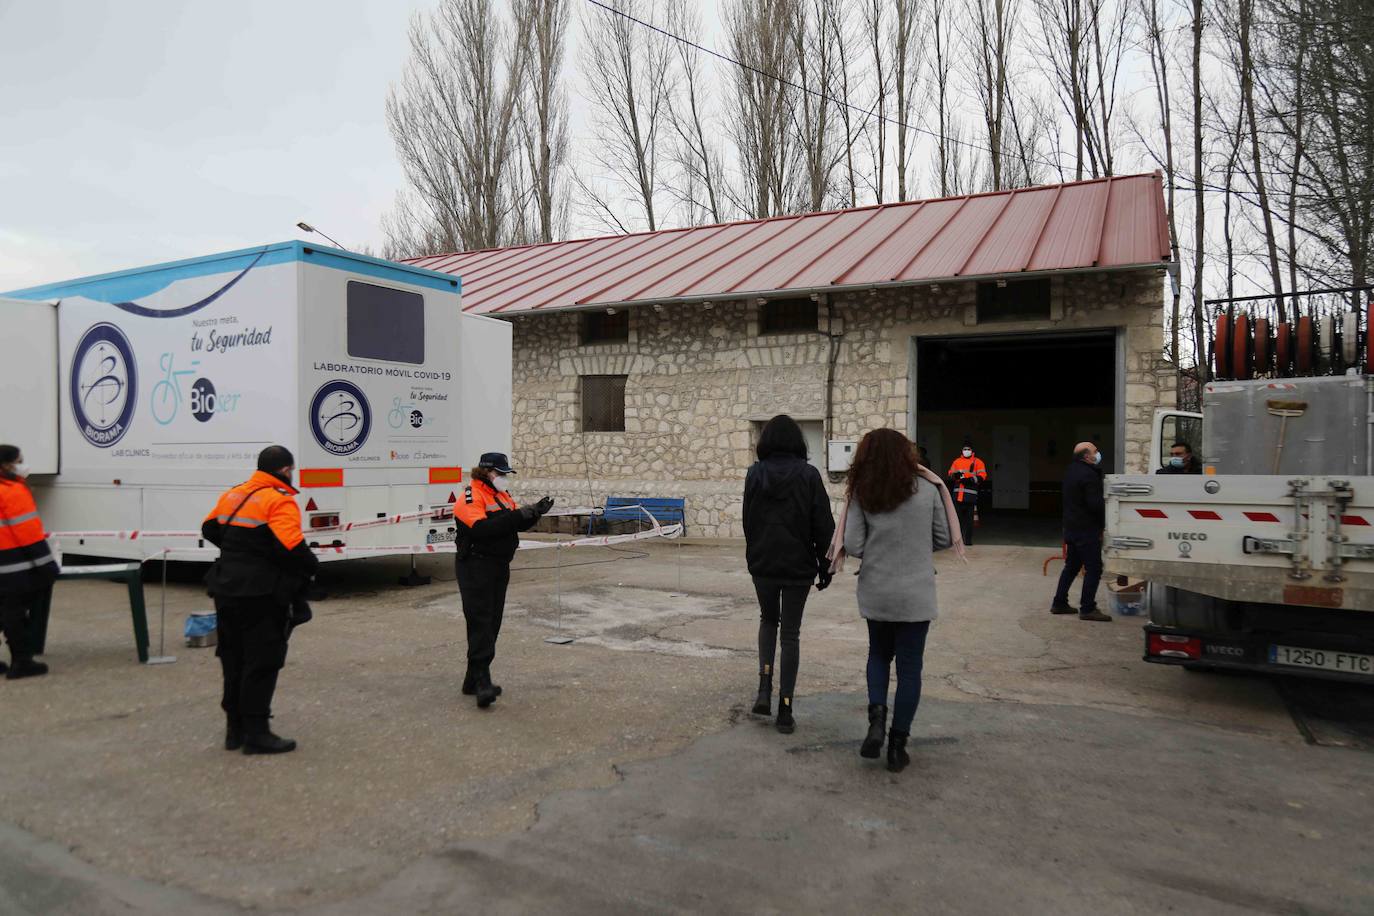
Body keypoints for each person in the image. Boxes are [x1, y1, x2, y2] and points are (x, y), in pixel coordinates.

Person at [843, 429, 953, 773]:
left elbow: (854, 544)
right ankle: (897, 745)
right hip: (917, 592)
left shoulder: (863, 491)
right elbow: (944, 536)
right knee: (910, 669)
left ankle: (875, 721)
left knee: (878, 654)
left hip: (877, 587)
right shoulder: (929, 490)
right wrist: (916, 551)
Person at [202, 445, 319, 754]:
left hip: (225, 587)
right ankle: (257, 733)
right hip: (261, 593)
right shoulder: (278, 501)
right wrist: (313, 568)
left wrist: (241, 552)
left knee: (232, 656)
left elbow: (210, 527)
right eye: (291, 470)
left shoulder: (234, 494)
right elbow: (291, 547)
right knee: (262, 659)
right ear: (284, 470)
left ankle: (234, 730)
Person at [742, 415, 836, 734]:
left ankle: (764, 689)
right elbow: (823, 525)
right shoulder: (809, 476)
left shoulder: (754, 475)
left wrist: (755, 553)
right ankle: (785, 707)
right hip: (798, 565)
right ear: (798, 442)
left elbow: (748, 521)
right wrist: (826, 567)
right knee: (791, 634)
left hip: (764, 563)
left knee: (768, 620)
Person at [454, 452, 553, 709]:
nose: (504, 478)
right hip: (476, 565)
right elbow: (481, 529)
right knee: (481, 621)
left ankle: (471, 679)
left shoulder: (500, 496)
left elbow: (514, 525)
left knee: (492, 622)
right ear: (487, 472)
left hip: (498, 566)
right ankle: (483, 683)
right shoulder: (470, 495)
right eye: (501, 474)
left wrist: (535, 513)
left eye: (506, 474)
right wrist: (518, 515)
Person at [0, 444, 57, 680]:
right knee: (13, 612)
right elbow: (28, 532)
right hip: (11, 564)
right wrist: (47, 565)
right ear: (6, 464)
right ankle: (21, 662)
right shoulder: (12, 491)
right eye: (18, 460)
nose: (22, 465)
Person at [1050, 442, 1111, 622]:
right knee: (1094, 568)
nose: (1098, 453)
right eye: (1095, 451)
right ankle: (1088, 608)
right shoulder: (1088, 475)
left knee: (1072, 566)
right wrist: (1103, 524)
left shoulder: (1071, 471)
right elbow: (1095, 505)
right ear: (1087, 456)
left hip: (1072, 527)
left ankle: (1059, 603)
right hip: (1086, 529)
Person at [946, 440, 986, 546]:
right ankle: (957, 541)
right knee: (956, 520)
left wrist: (970, 480)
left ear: (972, 451)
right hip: (957, 496)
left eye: (968, 449)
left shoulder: (978, 462)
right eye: (965, 449)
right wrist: (957, 476)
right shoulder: (957, 461)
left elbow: (982, 476)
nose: (966, 451)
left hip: (970, 496)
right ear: (962, 450)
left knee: (969, 521)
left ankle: (968, 540)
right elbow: (950, 474)